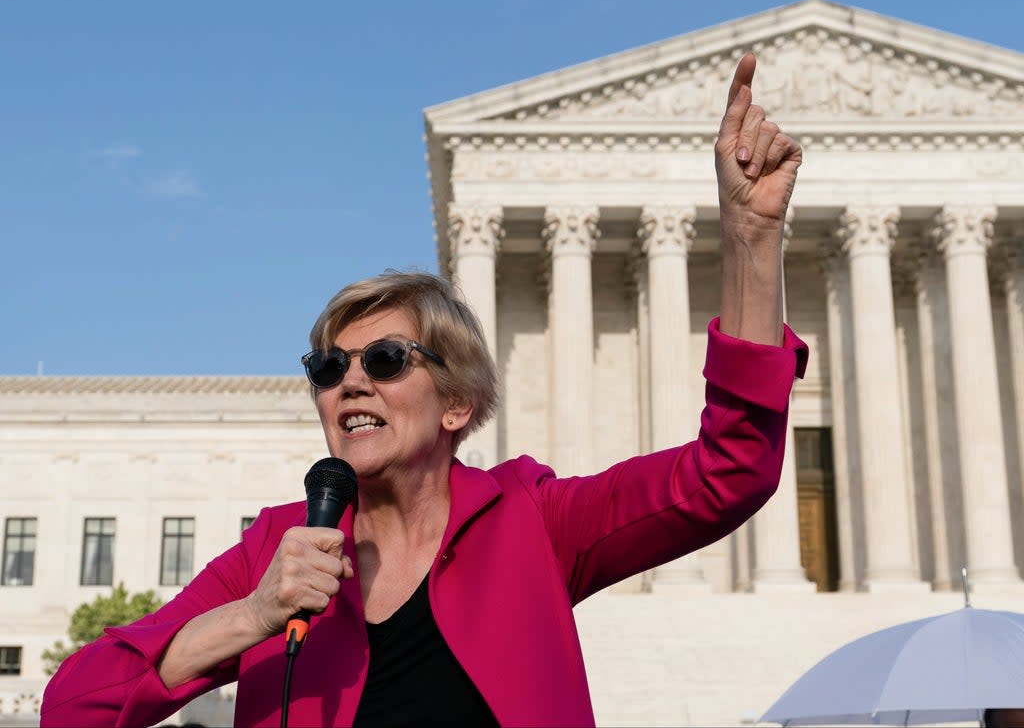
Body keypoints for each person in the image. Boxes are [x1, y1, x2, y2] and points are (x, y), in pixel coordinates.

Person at [40, 53, 806, 728]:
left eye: (385, 358)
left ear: (456, 402)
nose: (350, 381)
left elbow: (727, 472)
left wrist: (748, 238)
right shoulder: (277, 553)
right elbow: (72, 707)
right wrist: (252, 615)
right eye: (327, 367)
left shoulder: (531, 524)